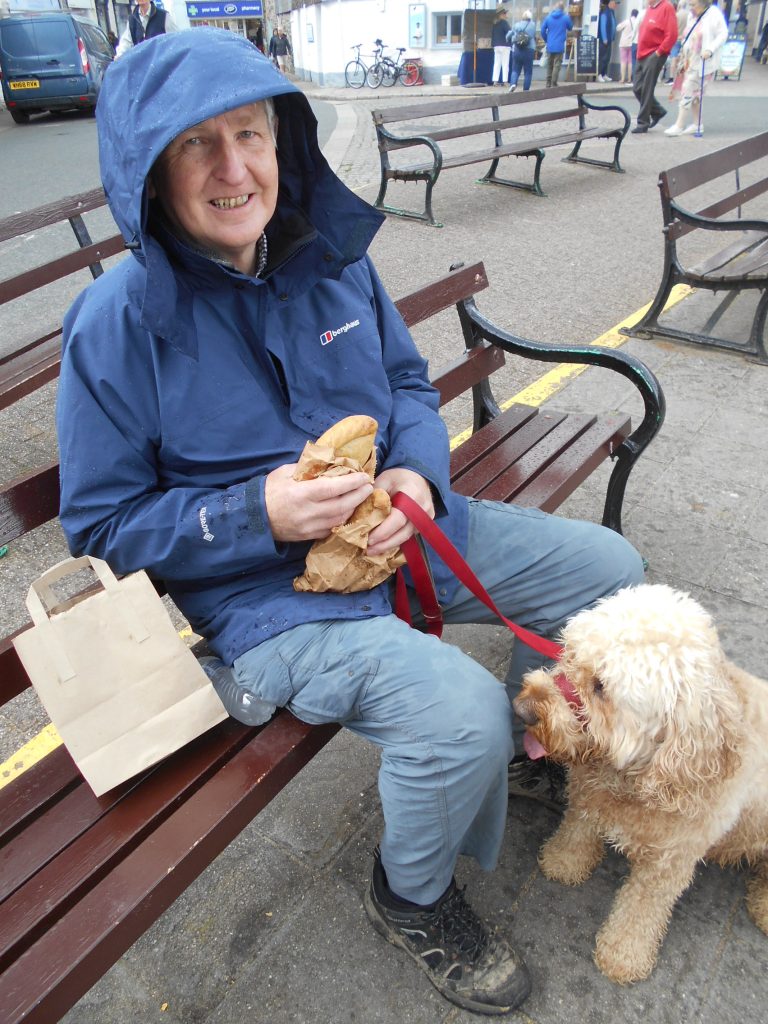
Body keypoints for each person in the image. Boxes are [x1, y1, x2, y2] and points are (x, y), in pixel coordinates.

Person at [56, 29, 645, 1016]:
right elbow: (104, 528)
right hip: (264, 600)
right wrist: (259, 511)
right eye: (198, 146)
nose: (235, 168)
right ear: (152, 174)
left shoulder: (332, 257)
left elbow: (409, 384)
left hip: (397, 531)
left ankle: (520, 743)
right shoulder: (116, 322)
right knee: (450, 708)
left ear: (286, 146)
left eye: (252, 134)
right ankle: (408, 894)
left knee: (607, 567)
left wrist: (416, 478)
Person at [665, 0, 728, 134]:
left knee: (688, 89)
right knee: (696, 94)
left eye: (694, 5)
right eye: (690, 5)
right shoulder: (692, 15)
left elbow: (723, 34)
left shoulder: (714, 14)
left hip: (704, 61)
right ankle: (697, 124)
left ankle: (679, 124)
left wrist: (710, 49)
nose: (691, 8)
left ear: (703, 3)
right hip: (690, 59)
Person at [631, 0, 678, 132]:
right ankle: (657, 111)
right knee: (637, 87)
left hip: (654, 53)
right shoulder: (650, 7)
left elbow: (672, 35)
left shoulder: (666, 7)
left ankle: (643, 122)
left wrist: (659, 52)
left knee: (646, 88)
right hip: (642, 53)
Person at [541, 0, 573, 87]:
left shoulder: (548, 17)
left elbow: (542, 30)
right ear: (563, 9)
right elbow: (570, 27)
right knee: (557, 64)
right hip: (559, 45)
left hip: (550, 44)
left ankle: (548, 82)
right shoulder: (565, 17)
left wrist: (547, 39)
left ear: (555, 8)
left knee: (550, 64)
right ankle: (554, 82)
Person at [506, 10, 537, 91]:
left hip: (517, 49)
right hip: (529, 50)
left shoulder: (516, 25)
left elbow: (509, 35)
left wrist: (508, 40)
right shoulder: (532, 25)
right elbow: (533, 35)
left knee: (515, 69)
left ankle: (513, 84)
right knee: (528, 72)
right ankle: (526, 89)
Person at [597, 0, 618, 81]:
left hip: (609, 39)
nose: (616, 5)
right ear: (610, 3)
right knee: (602, 57)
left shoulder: (611, 12)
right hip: (604, 40)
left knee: (607, 58)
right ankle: (599, 74)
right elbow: (603, 25)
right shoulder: (605, 12)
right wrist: (605, 38)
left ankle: (604, 73)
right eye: (615, 3)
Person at [617, 8, 639, 82]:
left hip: (623, 43)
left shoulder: (627, 21)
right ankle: (629, 78)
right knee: (630, 62)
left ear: (631, 14)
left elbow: (618, 28)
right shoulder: (638, 22)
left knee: (623, 61)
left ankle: (623, 78)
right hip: (633, 43)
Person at [491, 7, 513, 85]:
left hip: (496, 46)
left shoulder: (495, 23)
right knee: (505, 64)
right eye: (505, 13)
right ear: (502, 15)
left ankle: (495, 81)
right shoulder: (504, 23)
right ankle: (505, 81)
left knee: (496, 64)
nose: (506, 15)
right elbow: (510, 33)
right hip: (504, 45)